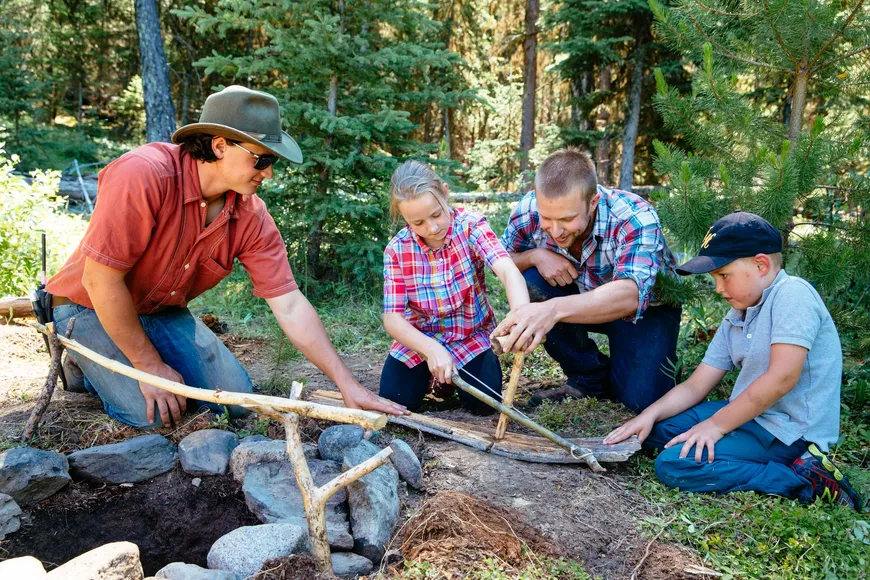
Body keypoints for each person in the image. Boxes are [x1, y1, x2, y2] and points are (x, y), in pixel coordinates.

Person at [45, 85, 408, 429]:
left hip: (157, 311)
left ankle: (126, 355)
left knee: (236, 400)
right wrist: (148, 364)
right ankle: (82, 363)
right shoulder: (143, 174)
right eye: (261, 159)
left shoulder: (251, 215)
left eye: (273, 162)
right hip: (87, 305)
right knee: (152, 414)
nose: (268, 173)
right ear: (220, 146)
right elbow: (100, 280)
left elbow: (290, 305)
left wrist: (347, 384)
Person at [604, 212, 863, 511]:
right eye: (715, 278)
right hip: (751, 415)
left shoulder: (793, 295)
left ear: (761, 264)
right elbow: (696, 385)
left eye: (724, 276)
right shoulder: (738, 315)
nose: (718, 288)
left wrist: (716, 426)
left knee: (674, 464)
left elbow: (782, 378)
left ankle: (804, 479)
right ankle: (732, 443)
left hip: (789, 431)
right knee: (655, 433)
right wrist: (648, 415)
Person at [493, 149, 681, 413]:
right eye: (547, 219)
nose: (556, 231)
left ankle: (650, 360)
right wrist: (534, 255)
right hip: (580, 299)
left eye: (567, 219)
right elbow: (502, 260)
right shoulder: (529, 209)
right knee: (533, 280)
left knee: (640, 401)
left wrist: (552, 310)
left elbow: (630, 295)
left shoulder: (633, 216)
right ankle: (589, 377)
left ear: (592, 202)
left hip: (644, 311)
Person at [379, 161, 530, 413]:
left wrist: (521, 313)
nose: (433, 227)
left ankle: (450, 380)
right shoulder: (397, 250)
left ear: (445, 193)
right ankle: (433, 378)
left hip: (469, 336)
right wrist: (431, 349)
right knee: (396, 400)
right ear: (403, 218)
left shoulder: (470, 226)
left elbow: (506, 269)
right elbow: (393, 320)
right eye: (418, 223)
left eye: (437, 214)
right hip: (420, 339)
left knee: (484, 404)